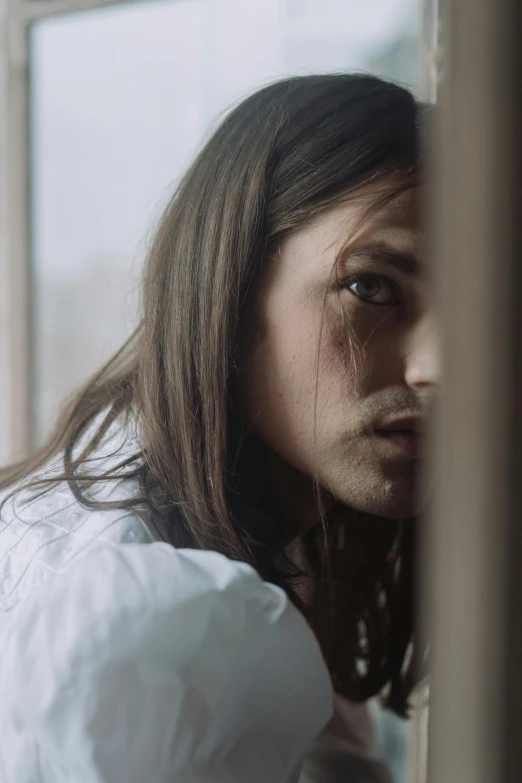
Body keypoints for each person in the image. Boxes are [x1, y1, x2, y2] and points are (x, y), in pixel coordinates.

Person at [0, 73, 436, 782]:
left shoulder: (228, 502)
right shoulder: (155, 628)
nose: (439, 365)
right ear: (233, 285)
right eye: (371, 286)